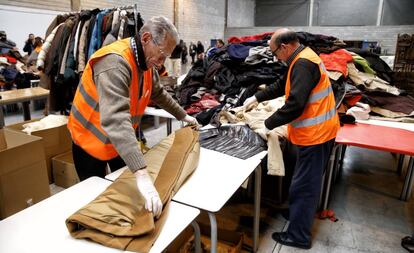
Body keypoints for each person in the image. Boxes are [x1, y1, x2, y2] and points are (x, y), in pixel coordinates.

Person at [67, 16, 200, 219]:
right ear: (146, 38)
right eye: (162, 55)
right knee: (96, 202)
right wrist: (142, 173)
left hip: (119, 141)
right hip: (90, 141)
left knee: (126, 192)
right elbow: (116, 119)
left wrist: (183, 116)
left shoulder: (147, 62)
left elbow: (158, 93)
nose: (162, 62)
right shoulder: (115, 62)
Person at [243, 28, 340, 249]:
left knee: (304, 185)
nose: (275, 57)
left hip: (317, 136)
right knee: (301, 182)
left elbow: (295, 105)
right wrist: (257, 97)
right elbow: (281, 84)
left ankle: (299, 236)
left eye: (275, 52)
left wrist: (267, 123)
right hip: (314, 134)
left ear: (285, 47)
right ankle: (298, 215)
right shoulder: (301, 57)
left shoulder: (303, 64)